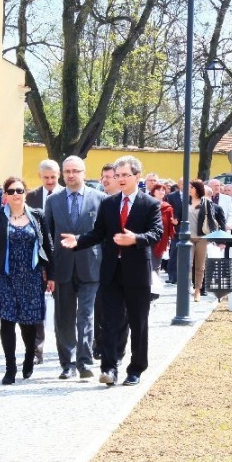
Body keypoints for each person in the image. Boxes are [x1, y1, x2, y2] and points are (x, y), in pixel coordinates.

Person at [60, 155, 163, 387]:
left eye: (126, 175)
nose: (121, 179)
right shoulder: (108, 204)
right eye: (118, 176)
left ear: (137, 176)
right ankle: (109, 367)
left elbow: (156, 233)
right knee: (109, 322)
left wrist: (134, 238)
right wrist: (77, 241)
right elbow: (98, 233)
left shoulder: (150, 204)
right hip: (110, 272)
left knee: (138, 322)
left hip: (136, 273)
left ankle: (136, 369)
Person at [0, 177, 55, 385]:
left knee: (28, 322)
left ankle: (29, 355)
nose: (15, 194)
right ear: (5, 195)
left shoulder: (37, 215)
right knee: (7, 320)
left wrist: (52, 275)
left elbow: (49, 247)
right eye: (11, 191)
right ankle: (10, 367)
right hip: (4, 276)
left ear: (25, 193)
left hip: (32, 276)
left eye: (19, 190)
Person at [45, 156, 105, 380]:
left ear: (84, 172)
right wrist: (48, 270)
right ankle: (67, 363)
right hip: (62, 266)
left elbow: (104, 235)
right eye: (67, 171)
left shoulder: (99, 199)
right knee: (64, 317)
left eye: (75, 171)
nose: (71, 175)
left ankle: (85, 361)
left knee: (86, 315)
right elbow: (47, 238)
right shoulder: (53, 201)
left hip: (91, 266)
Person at [24, 159, 63, 364]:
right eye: (46, 177)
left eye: (53, 177)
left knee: (64, 306)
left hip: (63, 259)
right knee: (36, 306)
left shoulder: (67, 196)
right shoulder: (29, 198)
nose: (49, 181)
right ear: (40, 176)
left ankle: (64, 348)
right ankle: (36, 350)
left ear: (59, 176)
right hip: (36, 261)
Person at [92, 163, 129, 362]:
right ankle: (100, 344)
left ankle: (118, 351)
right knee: (100, 306)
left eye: (109, 176)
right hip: (99, 263)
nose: (105, 180)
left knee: (122, 311)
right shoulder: (99, 201)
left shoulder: (128, 203)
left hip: (124, 264)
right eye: (102, 176)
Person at [189, 180, 220, 302]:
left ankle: (198, 290)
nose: (189, 189)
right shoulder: (185, 201)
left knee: (200, 266)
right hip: (188, 238)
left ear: (198, 189)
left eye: (192, 187)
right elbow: (179, 217)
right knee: (187, 264)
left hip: (202, 237)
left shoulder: (206, 202)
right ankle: (187, 288)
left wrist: (213, 237)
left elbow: (212, 220)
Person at [150, 182, 176, 272]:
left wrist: (174, 223)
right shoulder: (147, 204)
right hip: (147, 237)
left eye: (163, 190)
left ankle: (154, 284)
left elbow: (170, 225)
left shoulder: (168, 208)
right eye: (158, 189)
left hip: (161, 239)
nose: (161, 192)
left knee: (156, 264)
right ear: (153, 191)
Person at [164, 177, 184, 285]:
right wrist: (173, 220)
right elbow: (169, 210)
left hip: (188, 227)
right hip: (175, 227)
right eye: (182, 184)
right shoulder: (172, 196)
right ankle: (172, 276)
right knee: (174, 253)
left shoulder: (191, 196)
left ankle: (184, 277)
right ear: (178, 185)